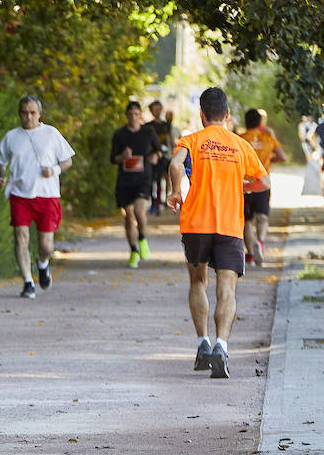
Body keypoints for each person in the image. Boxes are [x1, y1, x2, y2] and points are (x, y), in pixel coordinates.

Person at [169, 87, 268, 379]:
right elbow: (263, 181)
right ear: (226, 115)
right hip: (228, 227)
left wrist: (176, 191)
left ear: (201, 115)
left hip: (196, 225)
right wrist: (243, 187)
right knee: (227, 289)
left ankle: (203, 343)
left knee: (198, 282)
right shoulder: (240, 144)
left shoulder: (190, 140)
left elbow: (175, 164)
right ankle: (221, 347)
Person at [0, 96, 75, 299]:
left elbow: (67, 161)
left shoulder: (51, 133)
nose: (28, 117)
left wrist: (54, 169)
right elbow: (0, 161)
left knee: (46, 245)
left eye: (32, 112)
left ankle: (42, 264)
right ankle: (28, 282)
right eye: (24, 112)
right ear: (19, 113)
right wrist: (1, 176)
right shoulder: (12, 136)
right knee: (21, 237)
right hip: (20, 194)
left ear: (39, 114)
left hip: (47, 195)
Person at [111, 100, 163, 268]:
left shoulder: (148, 132)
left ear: (140, 115)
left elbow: (159, 150)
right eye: (130, 114)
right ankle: (133, 251)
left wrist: (156, 156)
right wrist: (122, 157)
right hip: (125, 181)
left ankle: (142, 238)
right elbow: (113, 158)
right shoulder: (119, 134)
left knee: (140, 212)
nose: (133, 117)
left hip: (143, 178)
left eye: (136, 114)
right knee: (129, 217)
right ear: (126, 116)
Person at [237, 108, 287, 265]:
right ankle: (260, 242)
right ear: (260, 123)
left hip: (245, 184)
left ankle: (250, 254)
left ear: (246, 122)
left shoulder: (240, 139)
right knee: (262, 217)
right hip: (263, 182)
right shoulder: (268, 138)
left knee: (247, 221)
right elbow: (283, 156)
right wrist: (270, 161)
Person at [147, 100, 174, 214]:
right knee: (151, 179)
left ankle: (159, 202)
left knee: (161, 180)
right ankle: (153, 202)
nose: (157, 111)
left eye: (159, 109)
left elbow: (170, 141)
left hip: (163, 156)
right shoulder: (148, 126)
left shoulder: (166, 125)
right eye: (154, 109)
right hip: (151, 157)